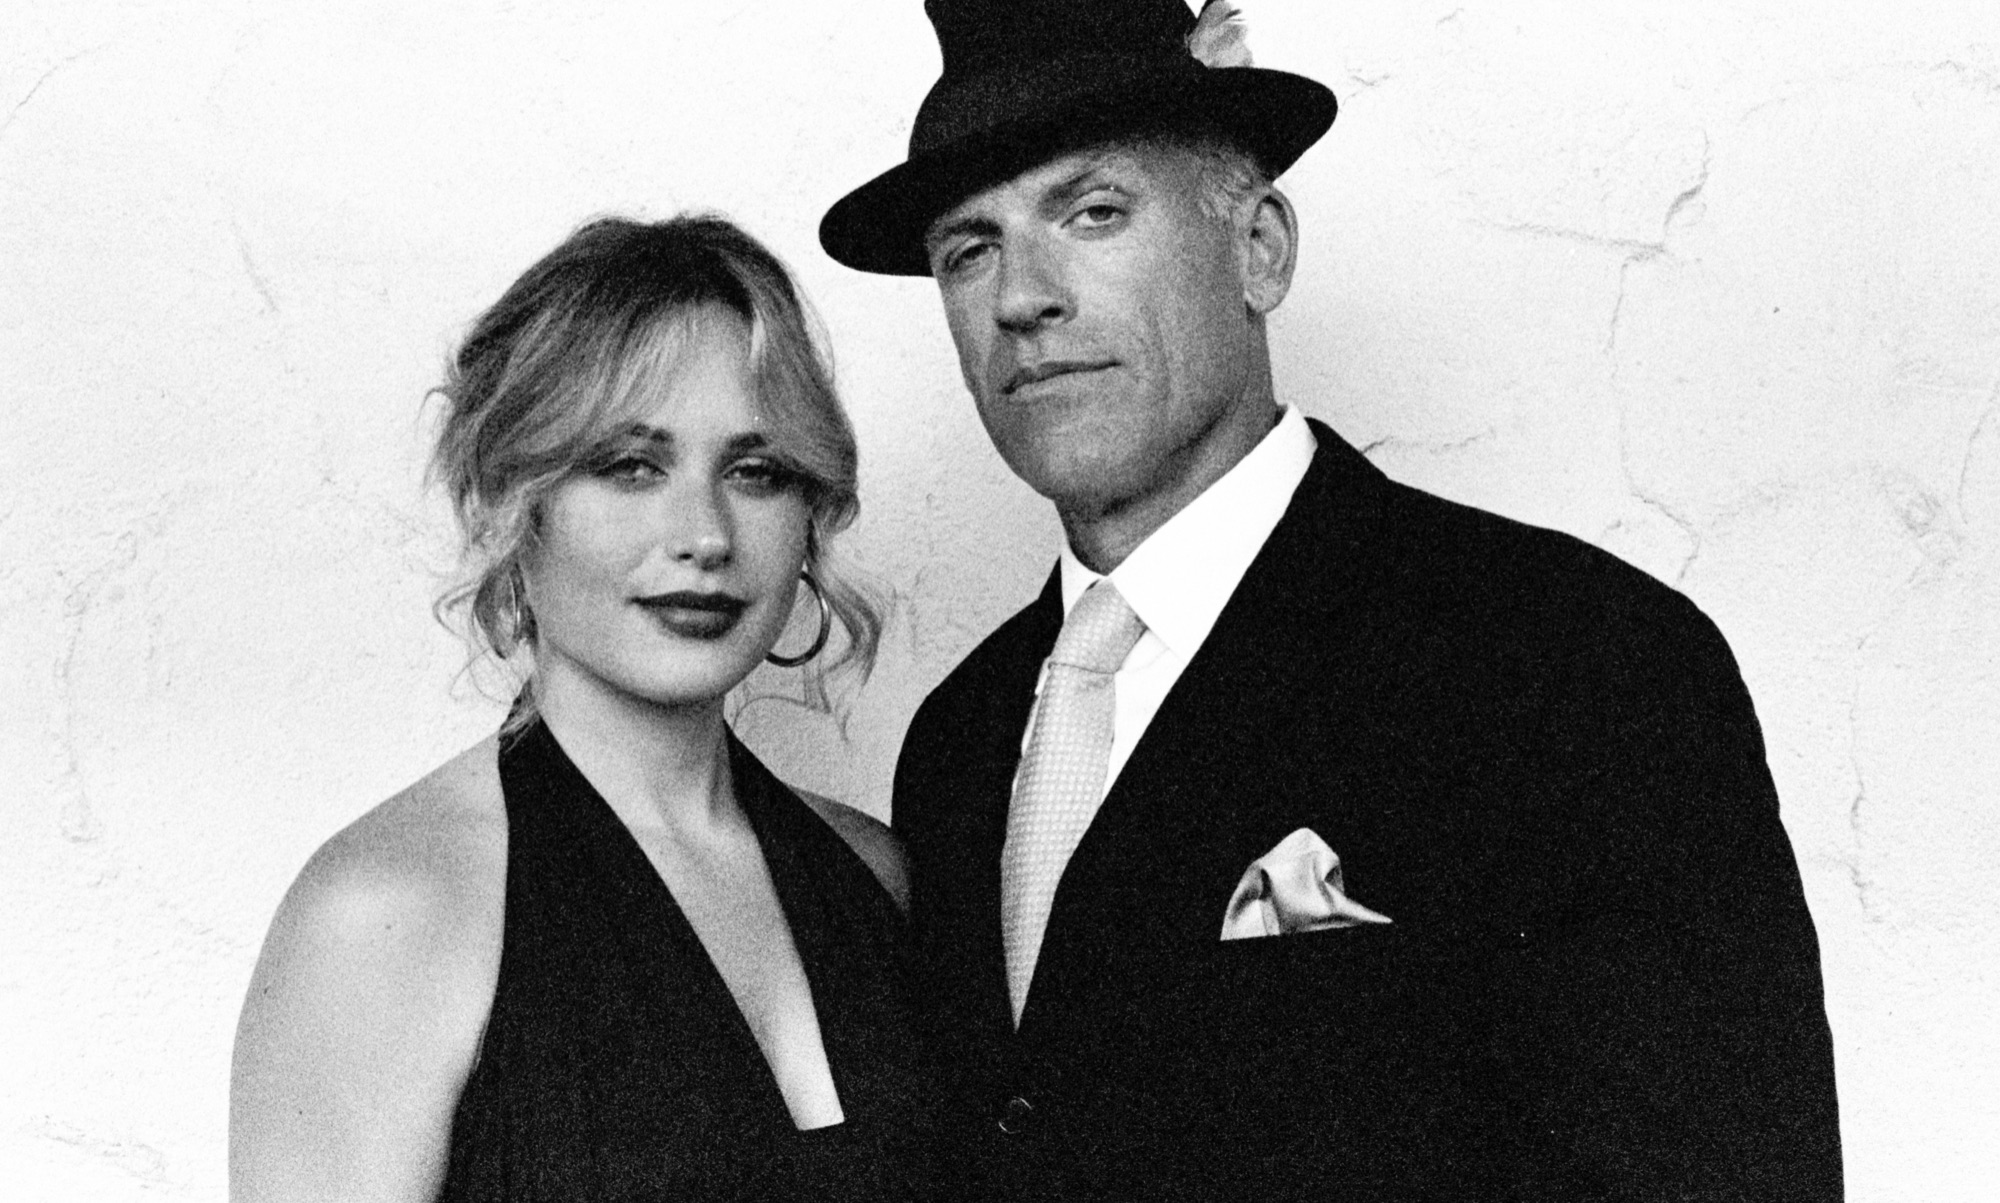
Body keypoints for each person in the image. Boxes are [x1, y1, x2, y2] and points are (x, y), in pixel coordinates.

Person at [819, 1, 1843, 1199]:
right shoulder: (960, 741)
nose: (1021, 298)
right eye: (967, 250)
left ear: (1258, 249)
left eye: (1093, 213)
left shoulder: (1570, 660)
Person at [229, 215, 929, 1202]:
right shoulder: (386, 915)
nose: (705, 535)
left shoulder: (876, 878)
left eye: (755, 471)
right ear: (514, 502)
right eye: (630, 465)